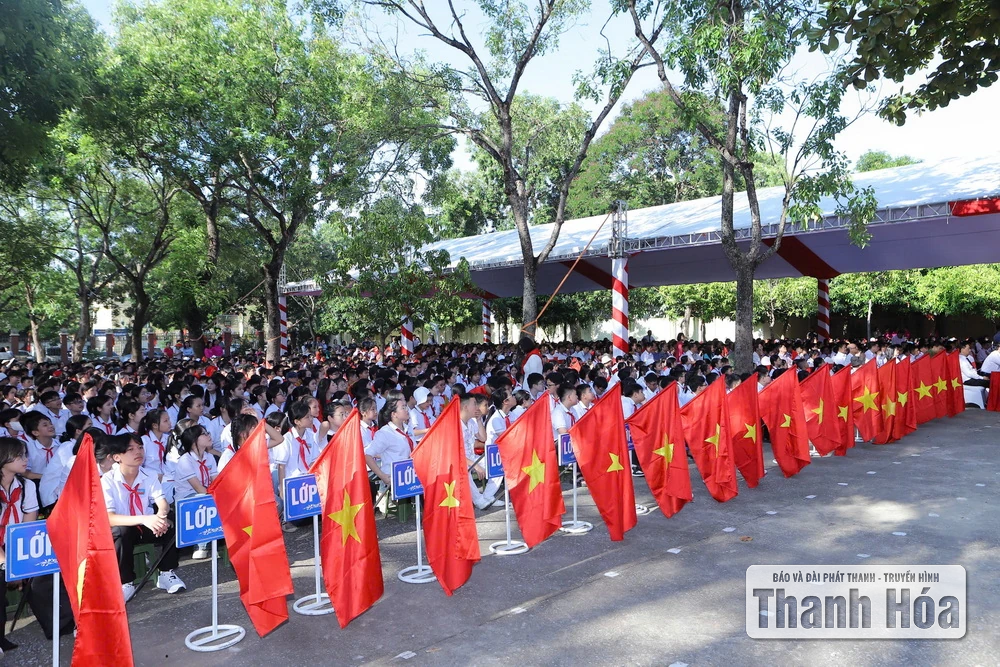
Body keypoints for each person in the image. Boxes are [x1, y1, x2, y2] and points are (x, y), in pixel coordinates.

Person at [102, 434, 186, 601]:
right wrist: (145, 519)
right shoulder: (107, 480)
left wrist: (160, 517)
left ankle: (166, 573)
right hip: (124, 525)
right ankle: (125, 582)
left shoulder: (149, 475)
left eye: (140, 447)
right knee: (121, 531)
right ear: (117, 457)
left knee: (173, 522)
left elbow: (162, 503)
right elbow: (110, 518)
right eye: (130, 449)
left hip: (146, 524)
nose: (138, 452)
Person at [0, 436, 39, 655]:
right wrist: (7, 564)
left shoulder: (26, 484)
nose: (25, 460)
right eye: (19, 455)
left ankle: (60, 625)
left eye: (25, 454)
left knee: (41, 577)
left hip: (13, 541)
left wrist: (19, 560)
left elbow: (27, 526)